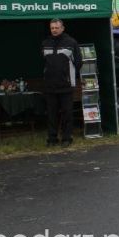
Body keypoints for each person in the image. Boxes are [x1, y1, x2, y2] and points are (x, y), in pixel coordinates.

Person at [41, 18, 82, 147]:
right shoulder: (45, 43)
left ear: (62, 28)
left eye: (56, 28)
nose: (54, 30)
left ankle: (66, 138)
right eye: (52, 28)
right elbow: (44, 62)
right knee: (51, 115)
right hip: (50, 86)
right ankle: (52, 139)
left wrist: (69, 77)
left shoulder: (71, 42)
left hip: (66, 86)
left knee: (67, 114)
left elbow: (78, 62)